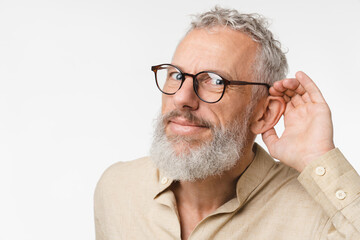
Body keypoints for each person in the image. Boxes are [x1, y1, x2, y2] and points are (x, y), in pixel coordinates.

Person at [94, 6, 360, 240]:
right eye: (176, 75)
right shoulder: (117, 189)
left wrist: (318, 157)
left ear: (264, 114)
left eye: (215, 80)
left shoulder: (321, 212)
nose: (181, 98)